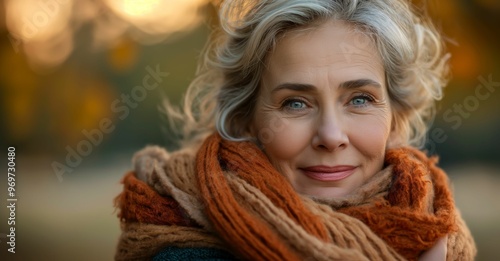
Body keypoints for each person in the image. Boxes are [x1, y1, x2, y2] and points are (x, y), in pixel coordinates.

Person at [114, 0, 477, 260]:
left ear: (395, 117)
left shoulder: (435, 229)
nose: (331, 135)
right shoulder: (188, 254)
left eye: (360, 99)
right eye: (295, 103)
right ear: (245, 120)